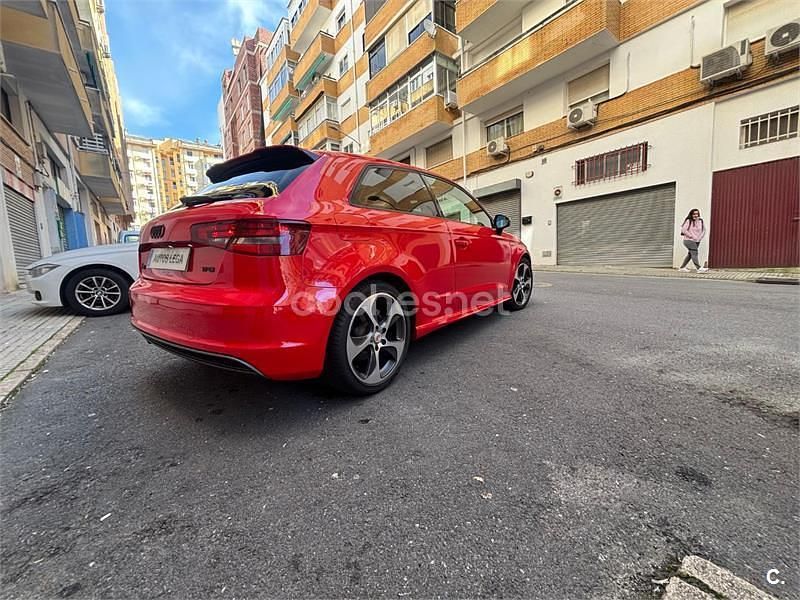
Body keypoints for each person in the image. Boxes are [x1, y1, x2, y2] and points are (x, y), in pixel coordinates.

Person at [679, 208, 708, 272]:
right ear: (691, 214)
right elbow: (683, 230)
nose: (696, 215)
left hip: (697, 241)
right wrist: (691, 236)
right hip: (688, 240)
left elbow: (704, 230)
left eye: (697, 214)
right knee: (695, 253)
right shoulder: (688, 221)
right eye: (694, 214)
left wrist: (700, 238)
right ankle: (699, 268)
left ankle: (682, 267)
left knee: (690, 254)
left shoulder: (701, 221)